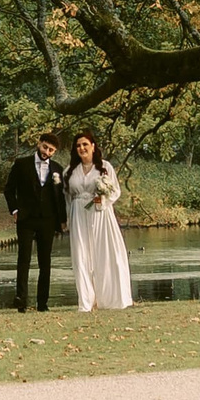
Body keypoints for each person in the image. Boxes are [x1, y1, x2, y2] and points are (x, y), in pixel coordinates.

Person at [64, 133, 133, 312]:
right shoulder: (70, 171)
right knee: (81, 256)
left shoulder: (105, 167)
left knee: (105, 254)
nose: (82, 148)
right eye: (78, 145)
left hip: (100, 214)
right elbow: (67, 198)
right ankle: (86, 302)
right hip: (79, 215)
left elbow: (115, 191)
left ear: (93, 146)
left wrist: (102, 200)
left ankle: (110, 298)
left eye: (85, 144)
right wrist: (68, 219)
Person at [3, 132, 67, 312]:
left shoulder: (57, 169)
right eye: (45, 147)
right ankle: (21, 300)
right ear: (39, 143)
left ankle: (42, 303)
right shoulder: (21, 164)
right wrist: (15, 210)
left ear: (55, 152)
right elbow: (9, 189)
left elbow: (60, 197)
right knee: (23, 259)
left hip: (48, 220)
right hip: (26, 218)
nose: (47, 152)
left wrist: (62, 220)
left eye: (51, 150)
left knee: (45, 261)